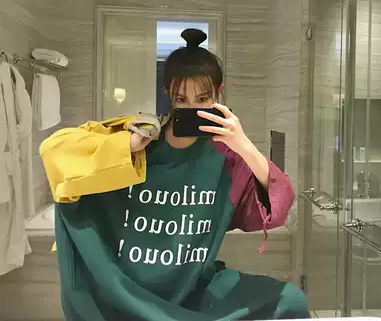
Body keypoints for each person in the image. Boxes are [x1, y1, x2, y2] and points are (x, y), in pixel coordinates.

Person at [40, 29, 310, 321]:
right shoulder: (142, 138)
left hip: (193, 287)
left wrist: (243, 144)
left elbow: (278, 205)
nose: (192, 108)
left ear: (219, 92)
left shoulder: (228, 158)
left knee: (290, 300)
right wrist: (125, 146)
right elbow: (55, 150)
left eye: (203, 98)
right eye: (182, 99)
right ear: (168, 94)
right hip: (128, 288)